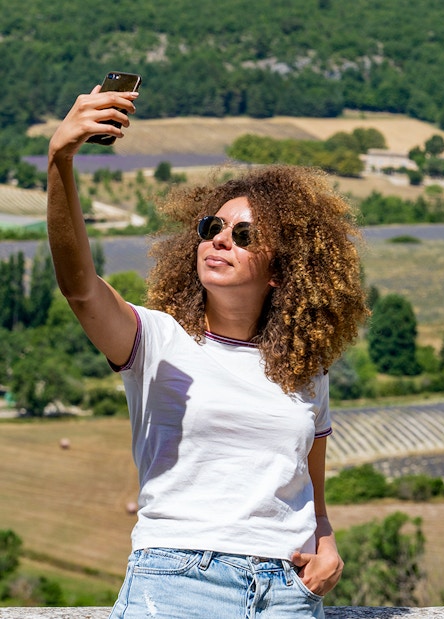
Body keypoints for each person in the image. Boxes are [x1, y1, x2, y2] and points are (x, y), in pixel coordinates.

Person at [47, 85, 369, 619]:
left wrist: (327, 539)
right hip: (176, 582)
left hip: (287, 589)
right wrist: (60, 160)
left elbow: (308, 472)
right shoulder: (154, 342)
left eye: (244, 234)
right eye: (211, 227)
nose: (220, 239)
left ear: (279, 271)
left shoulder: (305, 367)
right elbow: (79, 287)